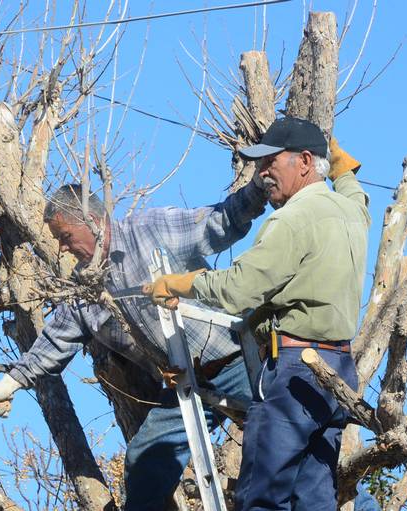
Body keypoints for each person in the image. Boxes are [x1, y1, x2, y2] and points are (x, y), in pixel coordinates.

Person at [0, 175, 269, 510]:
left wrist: (260, 188)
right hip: (187, 385)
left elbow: (218, 221)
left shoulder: (150, 229)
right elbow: (54, 341)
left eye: (65, 236)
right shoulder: (86, 290)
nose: (62, 247)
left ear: (92, 221)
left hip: (237, 361)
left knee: (279, 443)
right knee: (144, 459)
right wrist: (8, 384)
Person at [145, 116, 371, 510]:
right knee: (315, 497)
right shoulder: (350, 213)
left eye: (271, 161)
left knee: (263, 497)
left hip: (295, 371)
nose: (262, 172)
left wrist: (182, 283)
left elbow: (238, 289)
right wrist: (344, 171)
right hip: (338, 369)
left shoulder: (293, 218)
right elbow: (358, 197)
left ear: (303, 161)